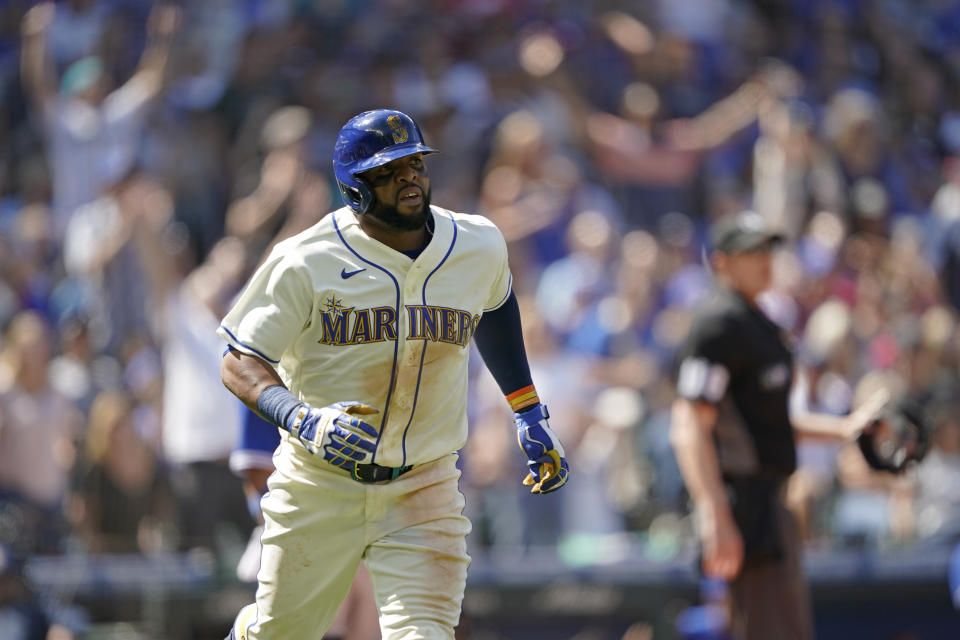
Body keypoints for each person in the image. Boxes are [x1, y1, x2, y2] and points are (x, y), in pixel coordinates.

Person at [220, 109, 569, 639]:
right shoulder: (304, 259)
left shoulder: (476, 244)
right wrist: (302, 418)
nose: (408, 178)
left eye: (415, 163)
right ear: (355, 188)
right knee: (280, 634)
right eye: (388, 170)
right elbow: (239, 359)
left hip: (423, 484)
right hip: (320, 481)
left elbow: (495, 305)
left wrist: (528, 411)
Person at [669, 211, 885, 640]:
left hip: (769, 501)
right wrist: (715, 512)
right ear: (722, 261)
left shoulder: (758, 322)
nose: (764, 259)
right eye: (751, 251)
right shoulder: (719, 323)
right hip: (742, 504)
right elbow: (689, 422)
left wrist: (844, 428)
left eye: (767, 248)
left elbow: (765, 423)